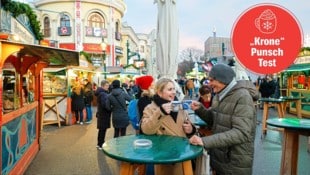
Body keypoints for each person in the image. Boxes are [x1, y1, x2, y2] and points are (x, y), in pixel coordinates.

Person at [189, 63, 258, 175]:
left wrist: (204, 141)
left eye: (212, 80)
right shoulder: (219, 95)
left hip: (234, 161)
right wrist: (200, 109)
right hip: (220, 157)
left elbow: (241, 133)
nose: (209, 84)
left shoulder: (243, 97)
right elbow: (215, 121)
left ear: (222, 79)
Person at [140, 77, 196, 175]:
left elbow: (189, 125)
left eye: (174, 89)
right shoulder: (150, 108)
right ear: (159, 92)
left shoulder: (179, 106)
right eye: (170, 89)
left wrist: (190, 129)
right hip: (164, 157)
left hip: (183, 154)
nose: (174, 92)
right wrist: (160, 112)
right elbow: (146, 130)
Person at [94, 80, 111, 150]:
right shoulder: (103, 94)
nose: (108, 87)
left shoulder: (100, 93)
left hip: (101, 113)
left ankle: (99, 143)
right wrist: (110, 108)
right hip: (104, 114)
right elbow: (105, 105)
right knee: (103, 130)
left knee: (101, 129)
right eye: (107, 86)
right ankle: (101, 144)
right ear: (103, 86)